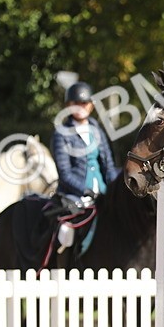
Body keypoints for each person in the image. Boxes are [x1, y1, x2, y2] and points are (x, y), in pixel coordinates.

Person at [50, 82, 119, 251]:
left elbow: (109, 167)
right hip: (76, 194)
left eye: (84, 103)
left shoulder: (98, 131)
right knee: (66, 232)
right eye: (76, 104)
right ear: (68, 106)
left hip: (102, 192)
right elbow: (65, 174)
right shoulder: (61, 134)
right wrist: (87, 190)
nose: (80, 107)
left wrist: (116, 187)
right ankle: (65, 262)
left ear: (91, 106)